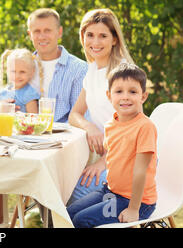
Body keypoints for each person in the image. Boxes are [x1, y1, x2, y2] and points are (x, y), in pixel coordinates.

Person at [67, 63, 157, 227]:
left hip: (137, 201)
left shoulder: (145, 127)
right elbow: (113, 157)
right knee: (69, 213)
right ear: (109, 96)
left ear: (143, 96)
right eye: (119, 91)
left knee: (82, 220)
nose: (125, 96)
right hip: (110, 191)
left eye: (133, 91)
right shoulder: (110, 125)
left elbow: (140, 171)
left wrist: (133, 209)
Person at [68, 8, 134, 204]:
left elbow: (132, 131)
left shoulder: (123, 73)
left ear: (114, 39)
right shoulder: (93, 71)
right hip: (109, 155)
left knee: (72, 190)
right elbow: (75, 114)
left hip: (127, 159)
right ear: (83, 37)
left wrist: (103, 163)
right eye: (90, 35)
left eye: (103, 36)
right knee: (62, 182)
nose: (95, 42)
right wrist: (90, 127)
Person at [26, 8, 87, 122]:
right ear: (30, 34)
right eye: (37, 31)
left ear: (59, 32)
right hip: (22, 136)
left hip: (63, 137)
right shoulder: (21, 66)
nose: (42, 36)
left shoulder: (79, 69)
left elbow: (80, 117)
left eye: (47, 30)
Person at [0, 48, 40, 113]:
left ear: (32, 72)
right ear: (7, 71)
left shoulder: (29, 94)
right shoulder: (4, 92)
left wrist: (19, 115)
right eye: (13, 71)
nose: (17, 76)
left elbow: (34, 118)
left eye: (22, 72)